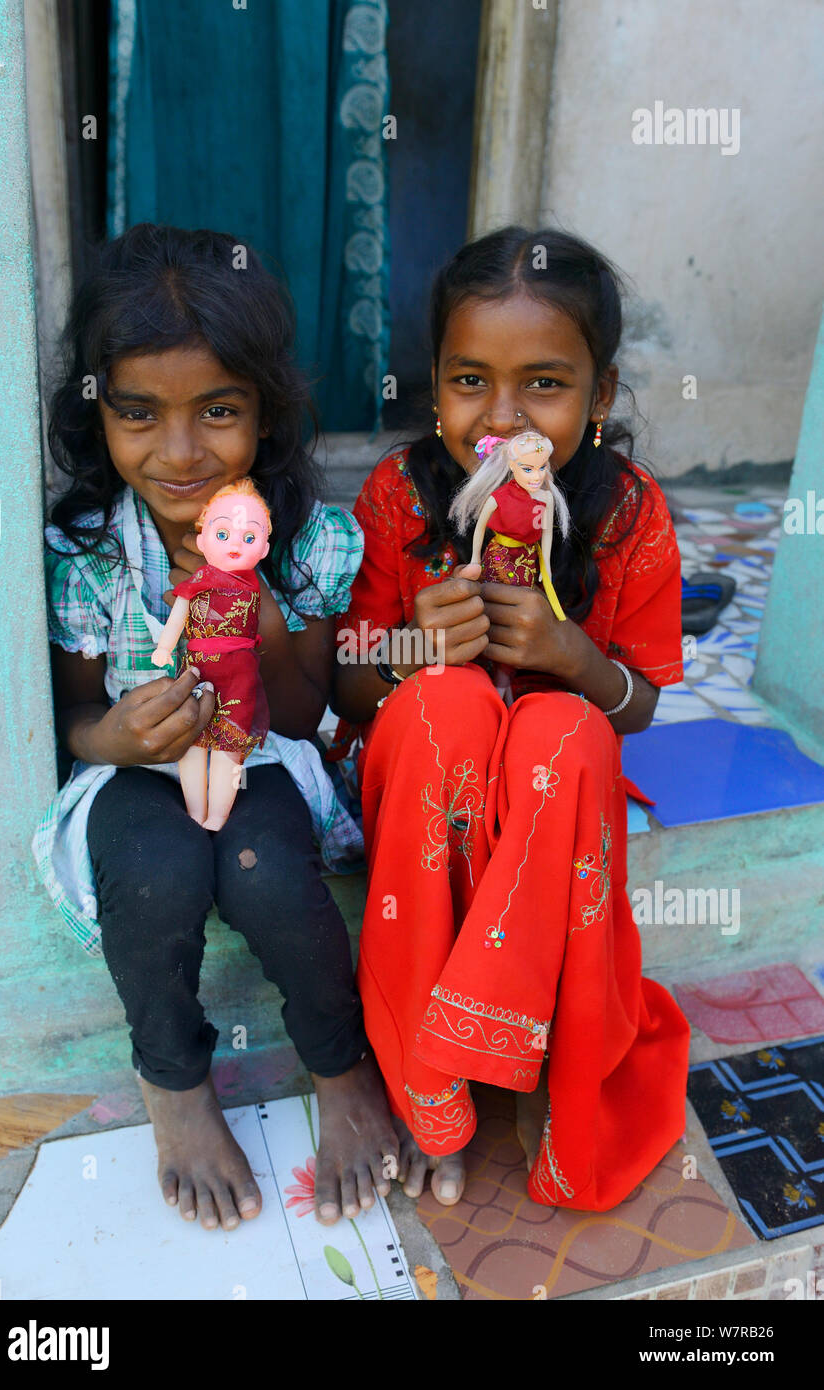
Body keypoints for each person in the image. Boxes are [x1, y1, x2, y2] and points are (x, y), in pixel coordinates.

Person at [33, 224, 397, 1232]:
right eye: (140, 414)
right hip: (135, 774)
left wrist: (267, 629)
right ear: (96, 409)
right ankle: (174, 1080)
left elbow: (303, 715)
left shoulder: (306, 541)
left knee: (267, 872)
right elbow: (71, 715)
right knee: (153, 871)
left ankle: (340, 1063)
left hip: (261, 753)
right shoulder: (87, 553)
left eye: (219, 411)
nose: (181, 452)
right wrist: (115, 739)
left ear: (265, 414)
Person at [330, 227, 690, 1213]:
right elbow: (344, 687)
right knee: (446, 701)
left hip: (550, 790)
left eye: (541, 384)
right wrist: (410, 643)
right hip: (427, 773)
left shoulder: (625, 514)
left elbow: (641, 706)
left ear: (599, 394)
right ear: (434, 384)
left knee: (564, 729)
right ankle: (428, 1086)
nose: (501, 417)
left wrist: (573, 660)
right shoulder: (398, 495)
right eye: (467, 381)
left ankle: (543, 1071)